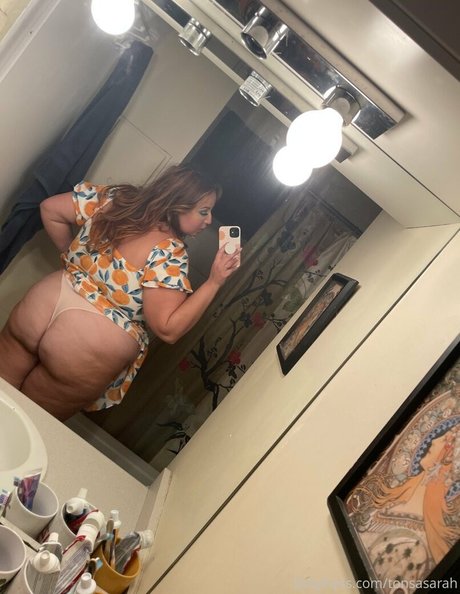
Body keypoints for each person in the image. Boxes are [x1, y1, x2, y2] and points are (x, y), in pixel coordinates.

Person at [0, 165, 241, 420]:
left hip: (42, 305)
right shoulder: (170, 251)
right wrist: (214, 282)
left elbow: (50, 208)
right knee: (23, 425)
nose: (209, 220)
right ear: (177, 205)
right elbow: (167, 328)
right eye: (203, 211)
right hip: (84, 345)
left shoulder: (115, 199)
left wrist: (72, 260)